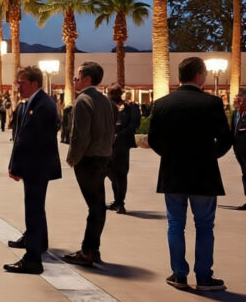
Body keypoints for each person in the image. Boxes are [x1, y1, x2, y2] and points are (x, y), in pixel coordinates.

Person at [149, 57, 232, 291]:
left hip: (173, 174)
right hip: (204, 174)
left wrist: (170, 155)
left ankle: (179, 275)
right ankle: (204, 278)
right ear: (198, 75)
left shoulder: (162, 103)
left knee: (175, 224)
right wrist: (210, 155)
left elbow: (153, 139)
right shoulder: (212, 103)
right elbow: (226, 139)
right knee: (204, 226)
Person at [3, 66, 62, 275]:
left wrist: (16, 166)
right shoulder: (36, 102)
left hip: (36, 167)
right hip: (36, 166)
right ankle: (37, 242)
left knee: (34, 211)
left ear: (34, 83)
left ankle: (33, 259)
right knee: (36, 208)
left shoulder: (42, 105)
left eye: (22, 83)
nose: (18, 87)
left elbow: (29, 139)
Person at [62, 62, 116, 267]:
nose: (74, 80)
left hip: (88, 159)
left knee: (95, 207)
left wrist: (72, 158)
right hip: (103, 157)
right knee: (98, 206)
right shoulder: (104, 100)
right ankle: (93, 248)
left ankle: (87, 251)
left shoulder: (83, 100)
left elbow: (80, 135)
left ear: (87, 79)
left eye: (77, 77)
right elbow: (111, 131)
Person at [105, 84, 139, 214]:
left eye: (115, 93)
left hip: (122, 145)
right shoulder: (106, 107)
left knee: (121, 174)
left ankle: (120, 203)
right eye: (111, 93)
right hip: (109, 144)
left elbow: (134, 124)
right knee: (112, 173)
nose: (112, 95)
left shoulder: (129, 107)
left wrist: (119, 135)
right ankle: (118, 201)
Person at [232, 90, 246, 210]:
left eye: (240, 97)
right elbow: (233, 129)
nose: (237, 99)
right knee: (245, 174)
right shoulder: (236, 112)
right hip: (238, 147)